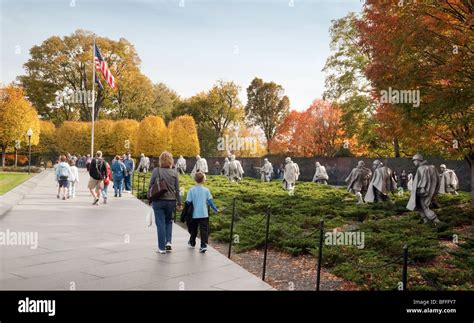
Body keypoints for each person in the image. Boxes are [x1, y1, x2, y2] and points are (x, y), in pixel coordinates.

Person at [148, 151, 182, 254]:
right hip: (171, 201)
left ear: (160, 160)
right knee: (169, 221)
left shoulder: (156, 171)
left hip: (158, 201)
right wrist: (179, 203)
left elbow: (150, 186)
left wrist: (150, 198)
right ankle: (168, 242)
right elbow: (177, 189)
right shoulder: (174, 172)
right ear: (171, 160)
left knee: (160, 224)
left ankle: (161, 248)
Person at [185, 172, 219, 253]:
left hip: (194, 214)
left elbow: (188, 202)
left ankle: (192, 242)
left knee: (194, 229)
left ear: (194, 179)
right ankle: (203, 246)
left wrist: (184, 211)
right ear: (203, 180)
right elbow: (210, 201)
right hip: (204, 214)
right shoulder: (206, 190)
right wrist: (215, 209)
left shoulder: (191, 190)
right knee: (204, 230)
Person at [407, 154, 440, 224]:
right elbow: (437, 180)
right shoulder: (431, 167)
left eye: (414, 161)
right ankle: (425, 220)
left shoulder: (421, 168)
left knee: (424, 207)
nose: (414, 162)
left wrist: (421, 190)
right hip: (429, 191)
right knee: (419, 206)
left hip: (422, 191)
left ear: (418, 160)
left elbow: (423, 180)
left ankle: (436, 220)